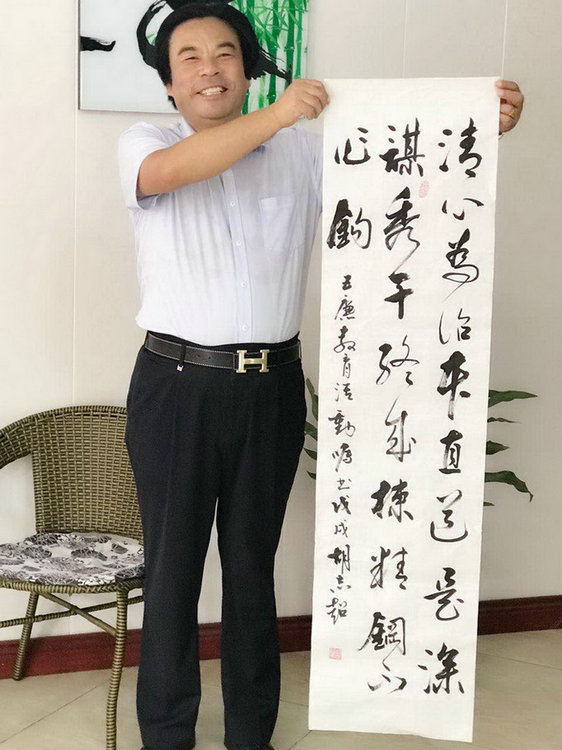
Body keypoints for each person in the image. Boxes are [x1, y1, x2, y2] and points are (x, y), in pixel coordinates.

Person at [117, 5, 524, 750]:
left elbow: (401, 180)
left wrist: (477, 125)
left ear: (247, 69)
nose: (210, 69)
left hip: (271, 387)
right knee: (171, 573)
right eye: (190, 58)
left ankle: (252, 736)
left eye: (225, 53)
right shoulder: (148, 143)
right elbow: (170, 175)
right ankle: (166, 737)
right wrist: (278, 114)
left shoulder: (304, 154)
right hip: (176, 386)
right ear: (170, 84)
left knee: (252, 570)